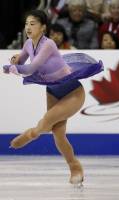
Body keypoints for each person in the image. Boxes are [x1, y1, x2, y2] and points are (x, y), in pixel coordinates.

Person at [3, 10, 103, 186]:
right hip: (52, 92)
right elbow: (22, 59)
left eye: (33, 24)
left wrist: (12, 69)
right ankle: (75, 167)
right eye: (27, 23)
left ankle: (29, 134)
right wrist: (16, 60)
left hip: (72, 93)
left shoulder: (48, 45)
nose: (28, 27)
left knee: (45, 123)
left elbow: (32, 68)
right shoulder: (28, 44)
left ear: (43, 27)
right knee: (58, 133)